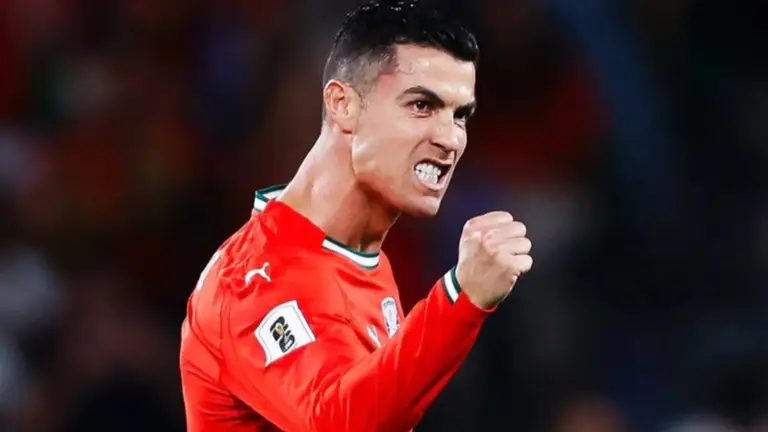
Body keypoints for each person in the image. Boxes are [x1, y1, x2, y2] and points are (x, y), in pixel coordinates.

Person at [179, 1, 533, 431]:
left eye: (460, 115)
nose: (450, 139)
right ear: (342, 104)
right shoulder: (252, 281)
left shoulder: (358, 257)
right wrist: (462, 296)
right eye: (421, 105)